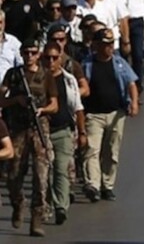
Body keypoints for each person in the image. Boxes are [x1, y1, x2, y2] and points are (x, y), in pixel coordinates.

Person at [0, 39, 59, 237]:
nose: (29, 56)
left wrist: (42, 110)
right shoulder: (14, 75)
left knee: (41, 177)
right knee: (14, 175)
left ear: (38, 54)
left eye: (33, 52)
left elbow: (54, 104)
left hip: (39, 128)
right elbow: (1, 99)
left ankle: (36, 218)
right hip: (18, 130)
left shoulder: (46, 75)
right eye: (26, 53)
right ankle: (18, 203)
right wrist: (15, 100)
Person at [81, 28, 139, 203]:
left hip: (116, 114)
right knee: (92, 150)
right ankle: (93, 185)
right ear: (96, 45)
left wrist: (134, 103)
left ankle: (108, 185)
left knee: (111, 152)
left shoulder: (119, 63)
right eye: (106, 44)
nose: (109, 48)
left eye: (111, 44)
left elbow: (131, 83)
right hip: (93, 115)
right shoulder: (87, 64)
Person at [41, 40, 86, 225]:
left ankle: (61, 207)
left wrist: (82, 132)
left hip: (63, 131)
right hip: (43, 133)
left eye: (54, 58)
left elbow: (77, 107)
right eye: (47, 58)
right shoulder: (37, 80)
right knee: (47, 173)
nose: (50, 61)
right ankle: (49, 204)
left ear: (61, 58)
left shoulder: (68, 80)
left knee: (60, 169)